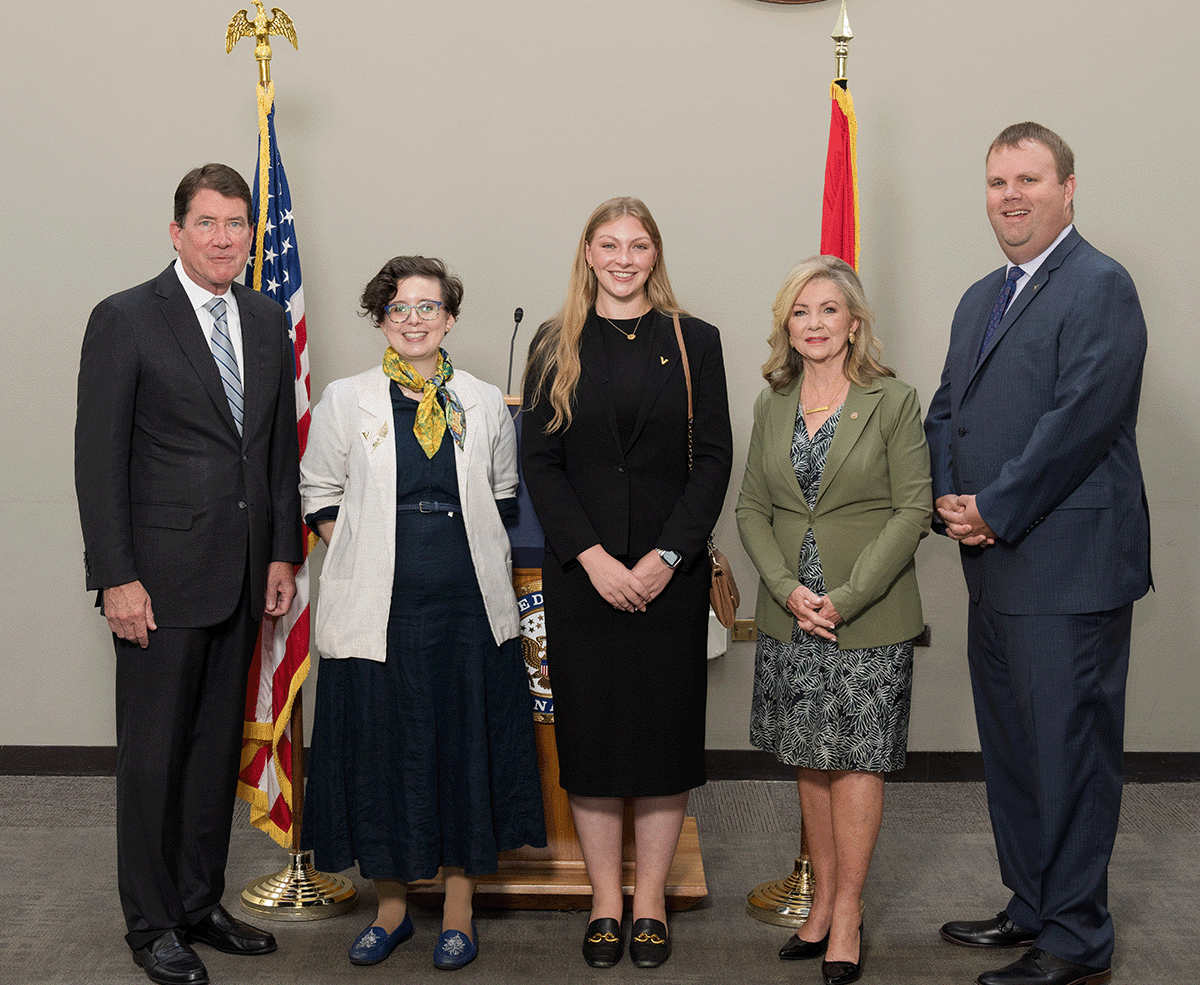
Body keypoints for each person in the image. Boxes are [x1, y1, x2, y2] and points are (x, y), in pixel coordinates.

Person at [925, 123, 1151, 985]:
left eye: (1028, 178)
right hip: (992, 560)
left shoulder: (1100, 285)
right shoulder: (982, 295)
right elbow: (950, 407)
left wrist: (996, 505)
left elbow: (1081, 422)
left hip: (1069, 563)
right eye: (996, 181)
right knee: (1016, 747)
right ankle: (1033, 901)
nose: (1010, 195)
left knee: (1070, 751)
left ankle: (1077, 937)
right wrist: (953, 504)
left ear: (1067, 188)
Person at [74, 163, 301, 985]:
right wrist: (116, 577)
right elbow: (97, 463)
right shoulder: (128, 318)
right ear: (176, 232)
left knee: (212, 755)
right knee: (154, 757)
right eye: (207, 223)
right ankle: (152, 922)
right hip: (157, 583)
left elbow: (275, 451)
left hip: (243, 575)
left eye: (237, 223)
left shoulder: (268, 318)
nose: (224, 238)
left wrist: (281, 552)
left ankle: (201, 901)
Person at [299, 255, 546, 971]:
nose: (413, 319)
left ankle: (460, 909)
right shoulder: (347, 400)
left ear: (450, 318)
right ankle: (393, 908)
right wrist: (363, 552)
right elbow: (319, 492)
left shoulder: (482, 399)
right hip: (378, 609)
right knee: (380, 752)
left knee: (463, 748)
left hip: (468, 610)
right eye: (399, 307)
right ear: (381, 318)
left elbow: (502, 496)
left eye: (427, 307)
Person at [521, 197, 732, 969]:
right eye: (608, 244)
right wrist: (595, 559)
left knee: (663, 739)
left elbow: (712, 458)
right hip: (586, 579)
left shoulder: (695, 340)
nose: (622, 257)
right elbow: (539, 464)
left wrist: (665, 558)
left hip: (667, 581)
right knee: (596, 738)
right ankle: (606, 899)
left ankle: (652, 904)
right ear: (586, 252)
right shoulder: (555, 343)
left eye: (637, 245)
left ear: (655, 254)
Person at [736, 256, 931, 985]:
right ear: (786, 326)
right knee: (809, 757)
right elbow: (752, 506)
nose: (813, 324)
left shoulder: (894, 400)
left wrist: (842, 597)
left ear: (854, 323)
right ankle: (817, 905)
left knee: (856, 760)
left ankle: (847, 912)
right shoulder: (772, 402)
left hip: (866, 612)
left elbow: (914, 508)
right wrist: (788, 589)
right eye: (800, 312)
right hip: (792, 615)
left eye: (827, 310)